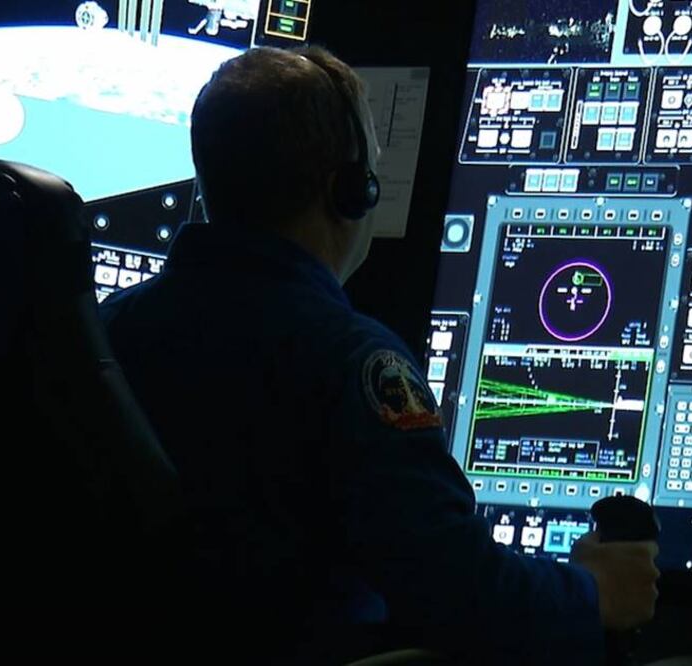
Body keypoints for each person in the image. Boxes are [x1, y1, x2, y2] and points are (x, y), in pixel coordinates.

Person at [99, 46, 659, 665]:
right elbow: (459, 591)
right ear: (351, 191)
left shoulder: (106, 329)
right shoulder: (353, 362)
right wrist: (593, 593)